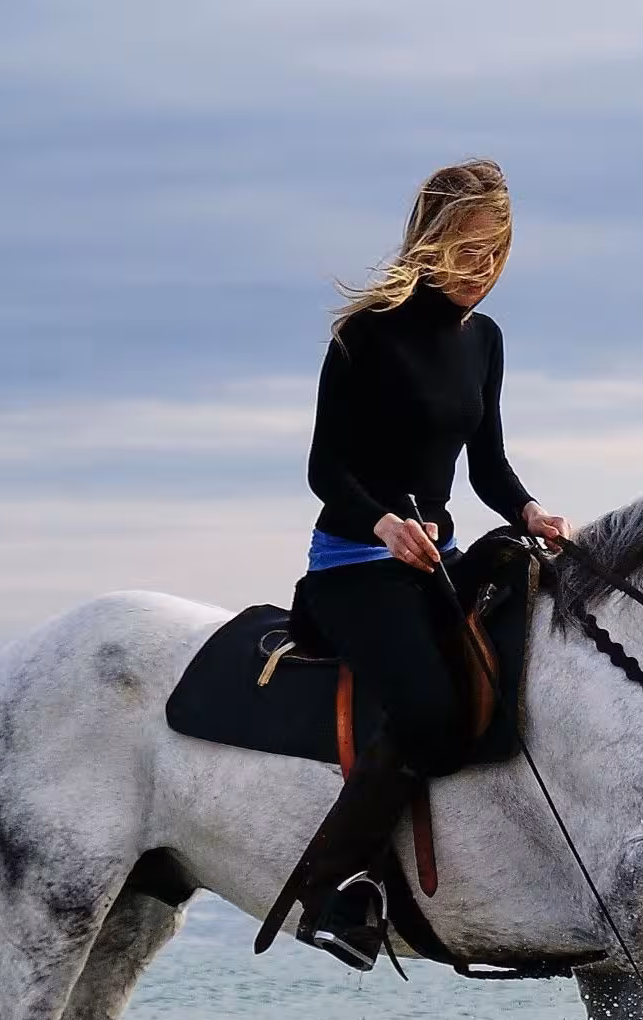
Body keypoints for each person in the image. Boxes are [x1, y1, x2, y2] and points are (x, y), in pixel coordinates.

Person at [255, 159, 568, 970]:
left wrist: (528, 510)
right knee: (431, 712)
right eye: (469, 253)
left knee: (519, 670)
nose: (482, 272)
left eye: (495, 255)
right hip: (356, 562)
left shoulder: (486, 342)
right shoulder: (367, 332)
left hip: (441, 555)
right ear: (432, 243)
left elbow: (488, 465)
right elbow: (325, 471)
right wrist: (386, 523)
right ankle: (336, 891)